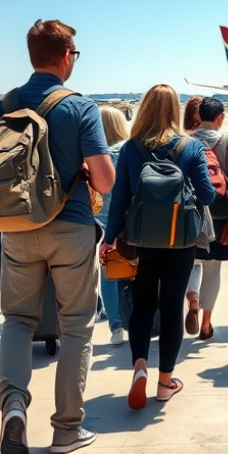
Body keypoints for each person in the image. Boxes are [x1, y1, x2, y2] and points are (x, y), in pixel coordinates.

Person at [0, 19, 115, 454]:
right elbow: (104, 180)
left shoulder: (1, 105)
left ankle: (12, 405)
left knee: (17, 320)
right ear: (66, 56)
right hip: (70, 227)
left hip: (16, 229)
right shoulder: (80, 108)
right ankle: (66, 430)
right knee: (77, 326)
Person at [100, 84, 215, 410]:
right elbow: (207, 196)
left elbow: (119, 198)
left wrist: (108, 240)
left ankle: (139, 368)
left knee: (142, 305)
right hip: (179, 242)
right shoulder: (190, 147)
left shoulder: (131, 148)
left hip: (139, 239)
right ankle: (165, 383)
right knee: (170, 308)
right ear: (175, 111)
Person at [184, 97, 228, 341]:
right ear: (220, 118)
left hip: (189, 212)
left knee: (192, 263)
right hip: (218, 213)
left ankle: (193, 299)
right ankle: (206, 324)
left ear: (198, 116)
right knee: (212, 268)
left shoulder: (184, 141)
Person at [96, 106, 130, 345]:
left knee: (109, 275)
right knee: (133, 271)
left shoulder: (96, 155)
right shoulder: (127, 151)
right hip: (129, 218)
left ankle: (116, 326)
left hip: (101, 219)